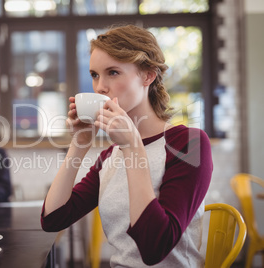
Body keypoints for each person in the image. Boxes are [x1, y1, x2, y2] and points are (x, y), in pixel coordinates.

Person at [41, 24, 213, 267]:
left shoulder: (188, 143)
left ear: (148, 75)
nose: (100, 86)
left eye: (112, 72)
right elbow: (53, 220)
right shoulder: (111, 154)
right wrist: (79, 144)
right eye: (94, 74)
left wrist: (133, 147)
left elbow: (155, 248)